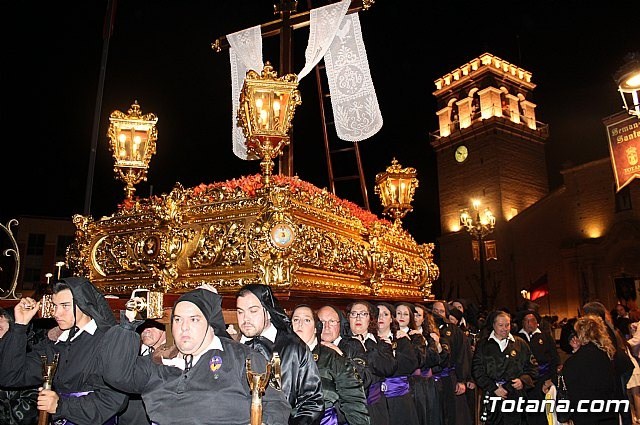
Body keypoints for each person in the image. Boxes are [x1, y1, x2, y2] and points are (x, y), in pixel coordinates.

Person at [102, 284, 291, 425]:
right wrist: (127, 326)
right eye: (178, 320)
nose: (184, 327)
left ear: (210, 325)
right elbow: (117, 375)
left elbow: (276, 405)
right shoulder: (161, 360)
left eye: (193, 319)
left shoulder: (241, 358)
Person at [0, 277, 127, 424]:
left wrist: (61, 406)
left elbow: (114, 400)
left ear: (84, 304)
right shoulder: (56, 344)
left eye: (65, 306)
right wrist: (20, 326)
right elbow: (10, 376)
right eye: (55, 305)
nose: (56, 313)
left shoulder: (109, 340)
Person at [236, 284, 324, 425]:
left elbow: (312, 402)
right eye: (240, 312)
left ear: (268, 312)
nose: (245, 319)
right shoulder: (232, 347)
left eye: (253, 311)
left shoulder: (294, 349)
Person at [291, 304, 370, 425]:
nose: (300, 324)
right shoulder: (281, 355)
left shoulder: (333, 356)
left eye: (307, 320)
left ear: (316, 328)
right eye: (296, 320)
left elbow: (354, 400)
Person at [472, 310, 538, 425]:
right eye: (501, 325)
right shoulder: (483, 345)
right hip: (492, 396)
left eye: (507, 325)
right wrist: (494, 388)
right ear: (493, 325)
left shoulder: (520, 344)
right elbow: (477, 370)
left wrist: (523, 381)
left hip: (515, 397)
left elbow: (533, 369)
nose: (505, 328)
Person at [343, 301, 397, 425]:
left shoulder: (381, 343)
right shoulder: (342, 344)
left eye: (363, 314)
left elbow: (389, 368)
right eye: (353, 314)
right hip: (351, 411)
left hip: (377, 407)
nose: (358, 317)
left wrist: (363, 349)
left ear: (370, 319)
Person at [561, 315, 619, 425]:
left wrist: (576, 352)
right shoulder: (606, 352)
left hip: (587, 414)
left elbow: (568, 382)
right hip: (608, 411)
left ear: (581, 334)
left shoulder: (575, 361)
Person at [376, 302, 420, 425]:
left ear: (391, 318)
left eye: (385, 314)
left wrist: (392, 353)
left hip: (399, 398)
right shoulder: (369, 339)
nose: (381, 317)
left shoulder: (400, 339)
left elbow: (410, 364)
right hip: (376, 401)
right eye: (377, 314)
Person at [430, 301, 472, 425]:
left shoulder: (454, 330)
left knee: (454, 415)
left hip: (450, 378)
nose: (437, 314)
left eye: (441, 311)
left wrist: (461, 380)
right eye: (435, 310)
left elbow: (463, 355)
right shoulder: (426, 329)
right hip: (431, 380)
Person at [517, 310, 560, 425]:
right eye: (526, 321)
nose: (529, 323)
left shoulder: (545, 337)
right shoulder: (517, 338)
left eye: (532, 320)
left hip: (543, 381)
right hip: (524, 381)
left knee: (542, 412)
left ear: (537, 322)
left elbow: (554, 360)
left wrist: (551, 379)